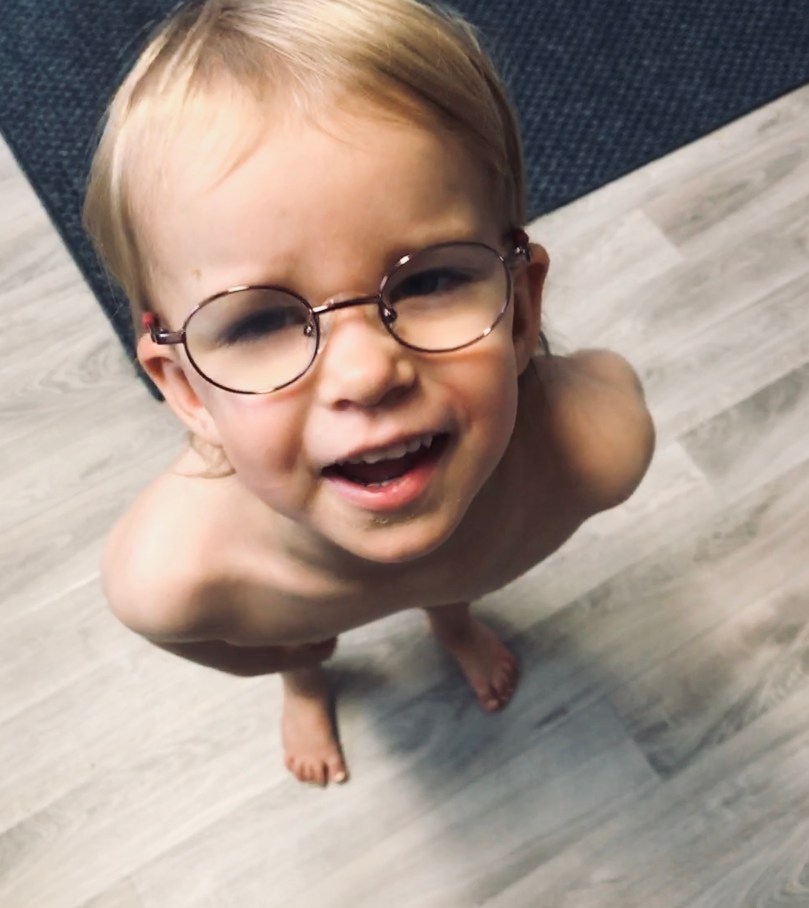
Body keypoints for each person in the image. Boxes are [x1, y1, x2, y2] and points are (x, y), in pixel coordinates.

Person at [83, 0, 655, 787]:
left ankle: (451, 622)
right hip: (295, 627)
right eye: (259, 321)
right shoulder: (174, 578)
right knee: (294, 641)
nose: (365, 373)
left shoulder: (597, 451)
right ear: (185, 390)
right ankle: (303, 678)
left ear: (520, 310)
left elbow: (611, 393)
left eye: (430, 280)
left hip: (466, 566)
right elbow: (201, 640)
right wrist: (273, 660)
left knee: (453, 579)